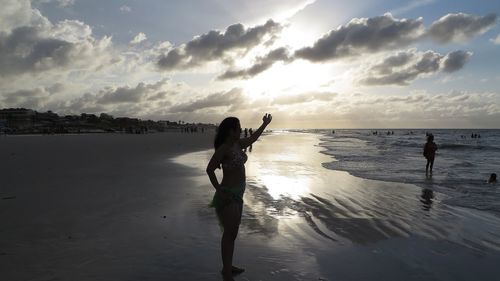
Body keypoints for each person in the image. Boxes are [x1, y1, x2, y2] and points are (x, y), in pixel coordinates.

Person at [206, 113, 272, 280]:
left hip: (238, 194)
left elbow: (253, 138)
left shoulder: (238, 144)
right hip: (228, 195)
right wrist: (219, 189)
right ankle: (226, 270)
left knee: (232, 233)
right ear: (230, 131)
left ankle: (228, 266)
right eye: (238, 127)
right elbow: (210, 169)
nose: (241, 129)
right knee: (229, 233)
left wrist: (264, 124)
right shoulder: (224, 149)